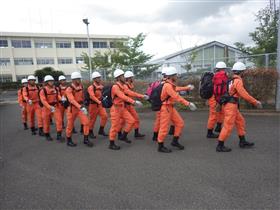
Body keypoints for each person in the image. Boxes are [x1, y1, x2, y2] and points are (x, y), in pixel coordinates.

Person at [216, 62, 262, 152]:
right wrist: (255, 102)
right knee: (228, 125)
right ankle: (220, 145)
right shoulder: (237, 81)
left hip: (231, 105)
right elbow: (244, 94)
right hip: (231, 106)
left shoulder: (231, 80)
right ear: (241, 72)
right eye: (244, 71)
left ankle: (242, 141)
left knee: (240, 121)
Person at [157, 67, 197, 153]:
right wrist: (188, 103)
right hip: (166, 108)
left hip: (170, 107)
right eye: (175, 75)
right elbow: (176, 96)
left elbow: (176, 89)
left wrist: (186, 88)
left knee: (180, 123)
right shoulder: (167, 85)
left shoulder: (170, 84)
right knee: (164, 128)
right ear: (171, 76)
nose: (177, 76)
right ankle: (160, 146)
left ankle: (175, 141)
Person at [108, 69, 142, 150]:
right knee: (114, 127)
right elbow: (122, 96)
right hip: (116, 109)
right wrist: (133, 102)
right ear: (118, 78)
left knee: (132, 121)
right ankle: (111, 143)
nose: (124, 77)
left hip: (122, 108)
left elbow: (130, 93)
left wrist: (142, 96)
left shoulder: (123, 86)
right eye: (122, 76)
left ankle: (123, 136)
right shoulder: (115, 87)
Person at [65, 72, 93, 147]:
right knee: (70, 125)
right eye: (78, 79)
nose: (79, 80)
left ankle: (86, 139)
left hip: (80, 107)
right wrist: (80, 107)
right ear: (73, 80)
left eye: (79, 79)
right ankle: (69, 140)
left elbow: (83, 97)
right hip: (72, 108)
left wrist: (84, 105)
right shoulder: (69, 89)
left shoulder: (81, 86)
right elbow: (71, 100)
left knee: (86, 122)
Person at [121, 70, 148, 139]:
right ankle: (121, 135)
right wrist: (141, 96)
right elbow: (131, 93)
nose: (133, 78)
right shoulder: (125, 86)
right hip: (125, 106)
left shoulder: (130, 85)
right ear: (129, 78)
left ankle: (136, 133)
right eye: (132, 77)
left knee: (136, 119)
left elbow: (132, 94)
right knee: (123, 122)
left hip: (130, 105)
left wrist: (135, 100)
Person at [39, 75, 65, 142]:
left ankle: (59, 135)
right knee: (46, 122)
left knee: (59, 121)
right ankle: (47, 134)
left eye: (52, 81)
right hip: (46, 108)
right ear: (46, 82)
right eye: (49, 81)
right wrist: (49, 107)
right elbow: (43, 100)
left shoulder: (55, 89)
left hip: (55, 107)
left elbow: (58, 95)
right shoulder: (43, 90)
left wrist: (62, 99)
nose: (51, 82)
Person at [206, 61, 227, 138]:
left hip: (214, 98)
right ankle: (209, 132)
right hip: (215, 98)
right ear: (222, 69)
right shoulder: (219, 77)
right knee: (213, 116)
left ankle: (218, 127)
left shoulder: (214, 76)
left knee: (220, 113)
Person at [87, 71, 108, 138]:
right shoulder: (91, 87)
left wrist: (105, 99)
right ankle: (90, 132)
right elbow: (92, 96)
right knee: (92, 119)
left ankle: (101, 130)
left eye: (99, 77)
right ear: (94, 79)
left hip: (100, 104)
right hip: (93, 105)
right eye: (97, 78)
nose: (99, 79)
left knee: (105, 116)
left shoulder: (101, 86)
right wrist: (99, 102)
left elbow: (103, 95)